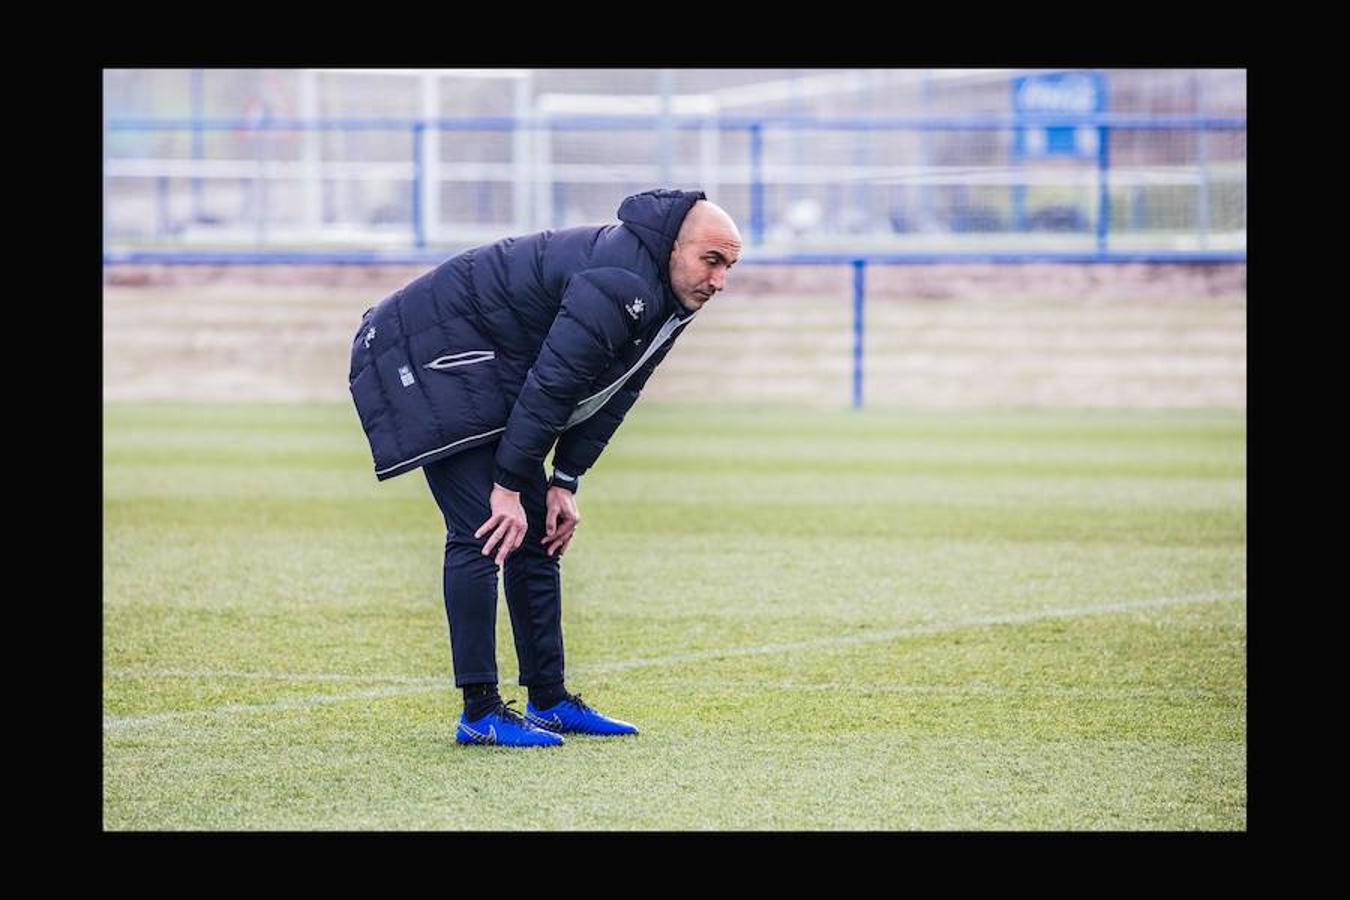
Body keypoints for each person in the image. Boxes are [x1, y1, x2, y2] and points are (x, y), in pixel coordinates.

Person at [348, 189, 742, 747]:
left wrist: (565, 481)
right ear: (673, 246)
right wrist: (507, 485)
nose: (720, 280)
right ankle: (480, 712)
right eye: (711, 261)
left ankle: (549, 700)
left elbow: (616, 390)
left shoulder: (669, 295)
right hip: (421, 350)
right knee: (483, 528)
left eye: (729, 266)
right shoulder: (620, 280)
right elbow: (554, 383)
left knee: (535, 532)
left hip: (487, 367)